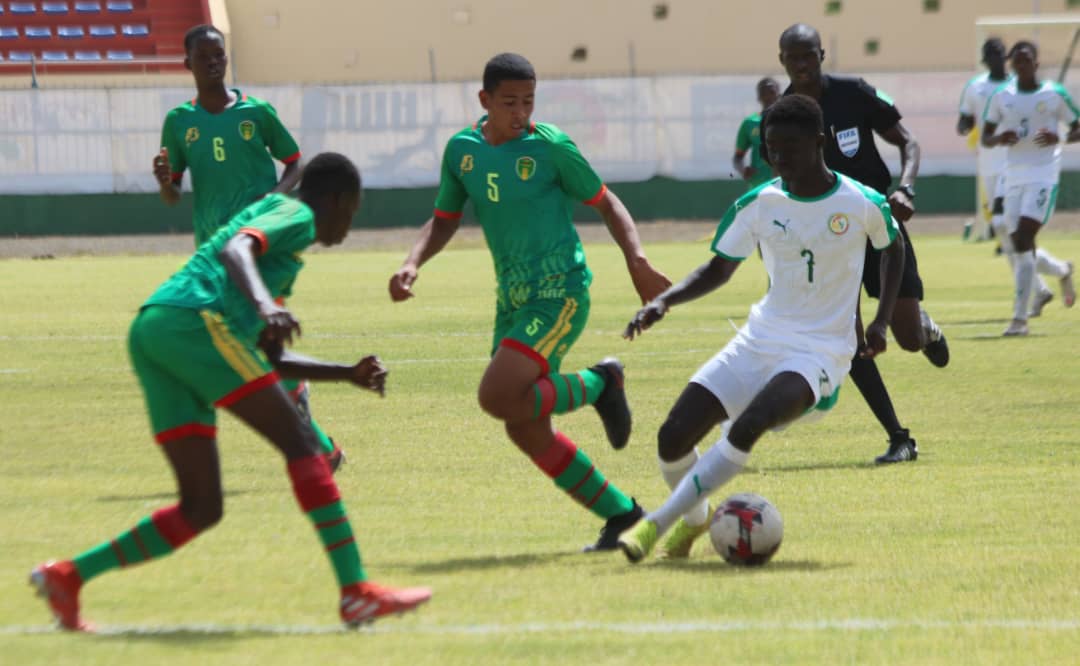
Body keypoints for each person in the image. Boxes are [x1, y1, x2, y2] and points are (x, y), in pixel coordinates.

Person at [31, 154, 432, 630]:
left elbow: (269, 359)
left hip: (157, 329)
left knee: (201, 508)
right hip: (194, 323)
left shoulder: (280, 252)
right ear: (337, 200)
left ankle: (70, 576)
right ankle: (356, 591)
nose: (350, 223)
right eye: (353, 210)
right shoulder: (296, 214)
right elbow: (236, 250)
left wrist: (345, 373)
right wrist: (265, 306)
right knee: (304, 443)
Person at [388, 53, 671, 551]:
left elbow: (607, 202)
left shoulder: (551, 148)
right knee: (523, 427)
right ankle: (623, 516)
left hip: (559, 293)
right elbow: (445, 218)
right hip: (513, 300)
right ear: (485, 101)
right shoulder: (462, 151)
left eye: (528, 102)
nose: (521, 113)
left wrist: (637, 260)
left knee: (496, 396)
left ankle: (600, 383)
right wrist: (414, 262)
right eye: (510, 102)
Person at [616, 94, 905, 562]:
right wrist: (664, 302)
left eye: (789, 147)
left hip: (822, 351)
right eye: (770, 147)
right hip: (760, 339)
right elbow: (718, 269)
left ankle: (656, 524)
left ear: (818, 142)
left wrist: (881, 320)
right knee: (672, 437)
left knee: (751, 423)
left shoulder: (860, 201)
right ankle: (693, 522)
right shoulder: (758, 203)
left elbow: (893, 248)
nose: (777, 157)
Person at [152, 25, 345, 472]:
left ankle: (317, 442)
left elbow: (295, 161)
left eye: (219, 55)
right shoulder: (180, 122)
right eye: (204, 56)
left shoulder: (256, 113)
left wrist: (274, 197)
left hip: (261, 248)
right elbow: (172, 194)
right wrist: (164, 181)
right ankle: (311, 424)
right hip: (214, 252)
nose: (214, 62)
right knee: (246, 349)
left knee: (251, 346)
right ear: (188, 64)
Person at [776, 23, 948, 465]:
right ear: (782, 61)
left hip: (878, 224)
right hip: (827, 239)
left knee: (906, 337)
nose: (801, 65)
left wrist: (905, 188)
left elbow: (908, 142)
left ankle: (926, 328)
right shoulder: (781, 114)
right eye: (793, 58)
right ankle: (899, 437)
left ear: (821, 55)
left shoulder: (854, 93)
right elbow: (783, 181)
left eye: (808, 55)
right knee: (848, 336)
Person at [982, 41, 1078, 337]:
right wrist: (1000, 138)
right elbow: (985, 136)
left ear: (1036, 64)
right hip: (1013, 177)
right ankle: (1062, 271)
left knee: (1024, 237)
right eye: (1017, 61)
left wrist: (1059, 135)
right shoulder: (1002, 97)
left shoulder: (1054, 94)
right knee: (1018, 244)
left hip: (1043, 175)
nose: (1021, 65)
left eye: (1026, 60)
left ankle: (1019, 319)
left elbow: (1078, 126)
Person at [958, 38, 1010, 243]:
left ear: (1006, 57)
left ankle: (1014, 245)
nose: (996, 59)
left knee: (1002, 208)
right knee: (997, 215)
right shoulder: (975, 86)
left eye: (999, 54)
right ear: (985, 61)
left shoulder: (1016, 84)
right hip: (987, 158)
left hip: (1013, 157)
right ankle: (1009, 247)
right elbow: (966, 118)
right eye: (991, 55)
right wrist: (964, 126)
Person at [733, 78, 780, 191]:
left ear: (779, 95)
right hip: (758, 185)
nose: (768, 97)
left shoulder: (788, 121)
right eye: (763, 93)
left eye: (771, 92)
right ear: (758, 97)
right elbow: (737, 157)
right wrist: (743, 169)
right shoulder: (750, 123)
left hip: (784, 184)